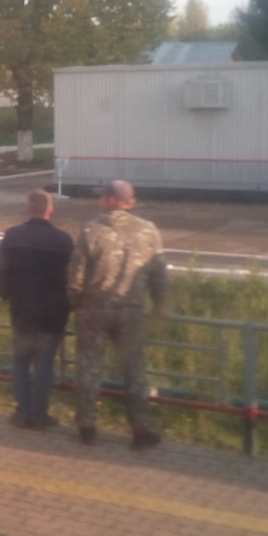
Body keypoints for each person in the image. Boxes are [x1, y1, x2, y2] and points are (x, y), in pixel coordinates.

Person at [67, 180, 168, 449]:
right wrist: (160, 304)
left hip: (94, 310)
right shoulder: (149, 231)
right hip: (132, 311)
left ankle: (87, 427)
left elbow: (75, 278)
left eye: (103, 197)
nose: (99, 201)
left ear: (111, 200)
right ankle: (141, 429)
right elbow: (159, 274)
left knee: (89, 368)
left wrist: (78, 303)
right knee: (133, 370)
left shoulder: (90, 231)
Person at [0, 189, 74, 430]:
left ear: (29, 208)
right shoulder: (64, 241)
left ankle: (21, 413)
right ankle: (39, 416)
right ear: (50, 209)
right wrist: (68, 306)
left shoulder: (12, 236)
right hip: (51, 316)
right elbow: (73, 279)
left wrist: (6, 295)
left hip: (21, 313)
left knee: (20, 364)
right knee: (44, 367)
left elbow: (0, 273)